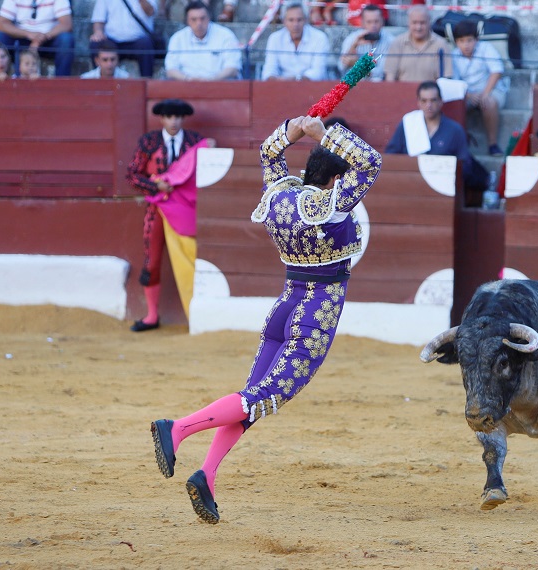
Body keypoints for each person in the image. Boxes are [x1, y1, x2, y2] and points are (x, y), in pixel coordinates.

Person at [150, 115, 382, 524]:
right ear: (333, 182)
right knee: (262, 397)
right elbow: (370, 163)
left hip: (285, 308)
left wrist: (295, 128)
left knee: (251, 398)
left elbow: (269, 151)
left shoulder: (280, 198)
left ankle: (207, 474)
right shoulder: (329, 205)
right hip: (313, 317)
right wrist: (321, 134)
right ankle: (179, 428)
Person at [126, 98, 205, 332]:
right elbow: (132, 175)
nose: (174, 121)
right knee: (153, 259)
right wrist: (156, 187)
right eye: (170, 117)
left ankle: (198, 313)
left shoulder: (196, 142)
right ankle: (151, 315)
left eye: (178, 117)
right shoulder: (149, 142)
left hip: (186, 209)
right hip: (157, 210)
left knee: (192, 257)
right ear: (161, 118)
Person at [385, 80, 488, 206]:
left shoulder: (455, 130)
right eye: (424, 101)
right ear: (418, 102)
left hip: (443, 192)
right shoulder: (408, 124)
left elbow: (465, 166)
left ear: (441, 101)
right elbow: (391, 156)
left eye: (433, 100)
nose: (429, 105)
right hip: (410, 189)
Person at [451, 20, 509, 157]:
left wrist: (485, 94)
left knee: (489, 102)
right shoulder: (453, 55)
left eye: (469, 40)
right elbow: (455, 82)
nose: (466, 45)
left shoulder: (486, 48)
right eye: (461, 41)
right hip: (467, 93)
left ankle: (493, 145)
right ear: (456, 42)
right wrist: (469, 96)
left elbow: (496, 72)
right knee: (454, 106)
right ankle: (458, 146)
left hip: (492, 89)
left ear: (476, 40)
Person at [0, 0, 74, 77]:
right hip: (22, 37)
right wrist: (28, 34)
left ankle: (61, 85)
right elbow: (1, 24)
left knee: (66, 39)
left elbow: (66, 24)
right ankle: (0, 81)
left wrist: (41, 38)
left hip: (49, 38)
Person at [165, 0, 241, 81]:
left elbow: (233, 68)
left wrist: (210, 80)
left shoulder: (226, 35)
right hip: (187, 87)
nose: (199, 23)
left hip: (219, 86)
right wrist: (188, 79)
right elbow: (170, 70)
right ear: (187, 21)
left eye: (202, 18)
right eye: (194, 19)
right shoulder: (177, 38)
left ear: (209, 18)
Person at [260, 1, 329, 81]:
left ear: (306, 20)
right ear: (284, 21)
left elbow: (318, 72)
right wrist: (276, 80)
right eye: (291, 20)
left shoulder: (319, 38)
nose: (295, 24)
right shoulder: (275, 38)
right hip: (281, 87)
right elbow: (269, 70)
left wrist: (295, 80)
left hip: (311, 88)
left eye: (299, 20)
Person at [89, 0, 158, 78]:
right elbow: (98, 20)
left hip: (138, 40)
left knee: (147, 44)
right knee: (96, 43)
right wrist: (98, 32)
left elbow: (150, 11)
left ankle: (147, 84)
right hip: (112, 41)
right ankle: (97, 82)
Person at [383, 4, 452, 83]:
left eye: (422, 23)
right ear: (408, 23)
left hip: (431, 94)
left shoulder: (441, 44)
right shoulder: (397, 43)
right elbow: (390, 76)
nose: (418, 27)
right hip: (402, 93)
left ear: (429, 22)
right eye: (414, 22)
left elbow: (446, 79)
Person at [338, 3, 393, 81]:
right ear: (362, 23)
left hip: (378, 86)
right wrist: (354, 46)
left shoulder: (390, 41)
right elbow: (341, 67)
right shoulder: (353, 38)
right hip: (354, 83)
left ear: (382, 22)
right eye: (369, 22)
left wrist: (359, 65)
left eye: (376, 21)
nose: (373, 25)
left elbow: (381, 72)